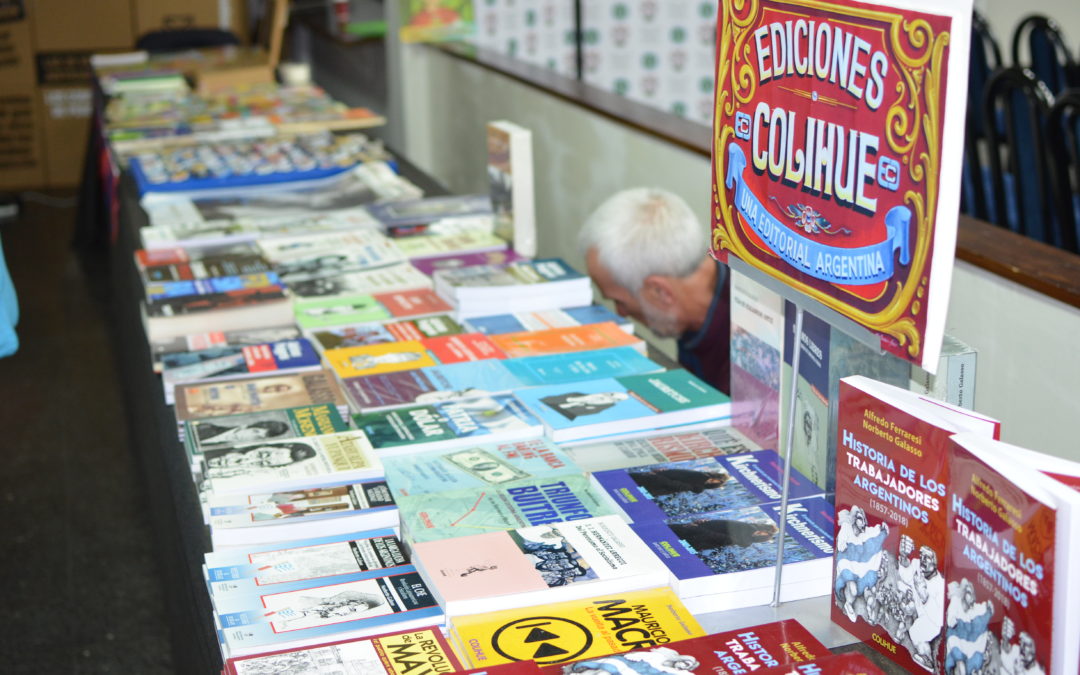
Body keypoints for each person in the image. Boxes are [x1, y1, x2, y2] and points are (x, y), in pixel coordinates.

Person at [579, 188, 730, 394]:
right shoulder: (694, 307)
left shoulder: (748, 355)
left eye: (621, 302)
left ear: (660, 292)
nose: (620, 313)